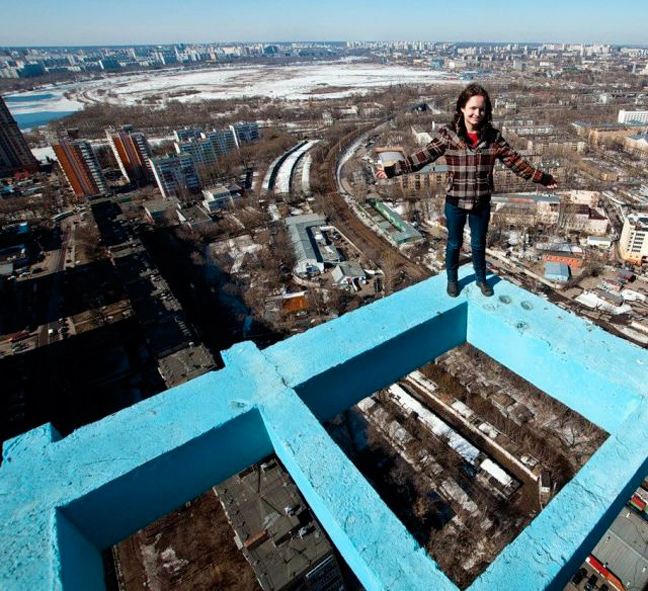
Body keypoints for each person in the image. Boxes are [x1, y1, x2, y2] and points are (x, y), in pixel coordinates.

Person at [376, 83, 557, 297]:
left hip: (481, 203)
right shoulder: (449, 135)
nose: (477, 113)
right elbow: (422, 157)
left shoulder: (493, 138)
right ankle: (452, 279)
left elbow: (515, 162)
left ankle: (481, 278)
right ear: (462, 108)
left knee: (479, 245)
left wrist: (542, 178)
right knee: (454, 244)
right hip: (455, 202)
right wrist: (392, 170)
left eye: (481, 109)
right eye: (472, 108)